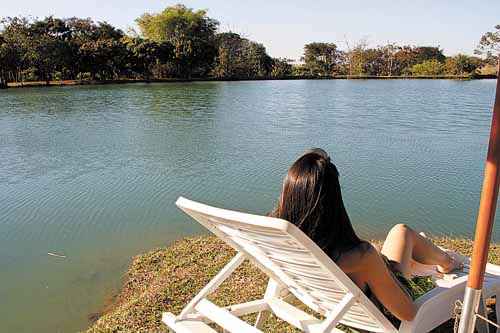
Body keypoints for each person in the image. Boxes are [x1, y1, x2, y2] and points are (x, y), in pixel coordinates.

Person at [272, 148, 462, 322]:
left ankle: (439, 260)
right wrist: (378, 263)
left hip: (336, 306)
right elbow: (408, 313)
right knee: (402, 232)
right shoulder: (360, 256)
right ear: (333, 202)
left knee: (395, 240)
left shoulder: (284, 243)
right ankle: (447, 262)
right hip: (382, 312)